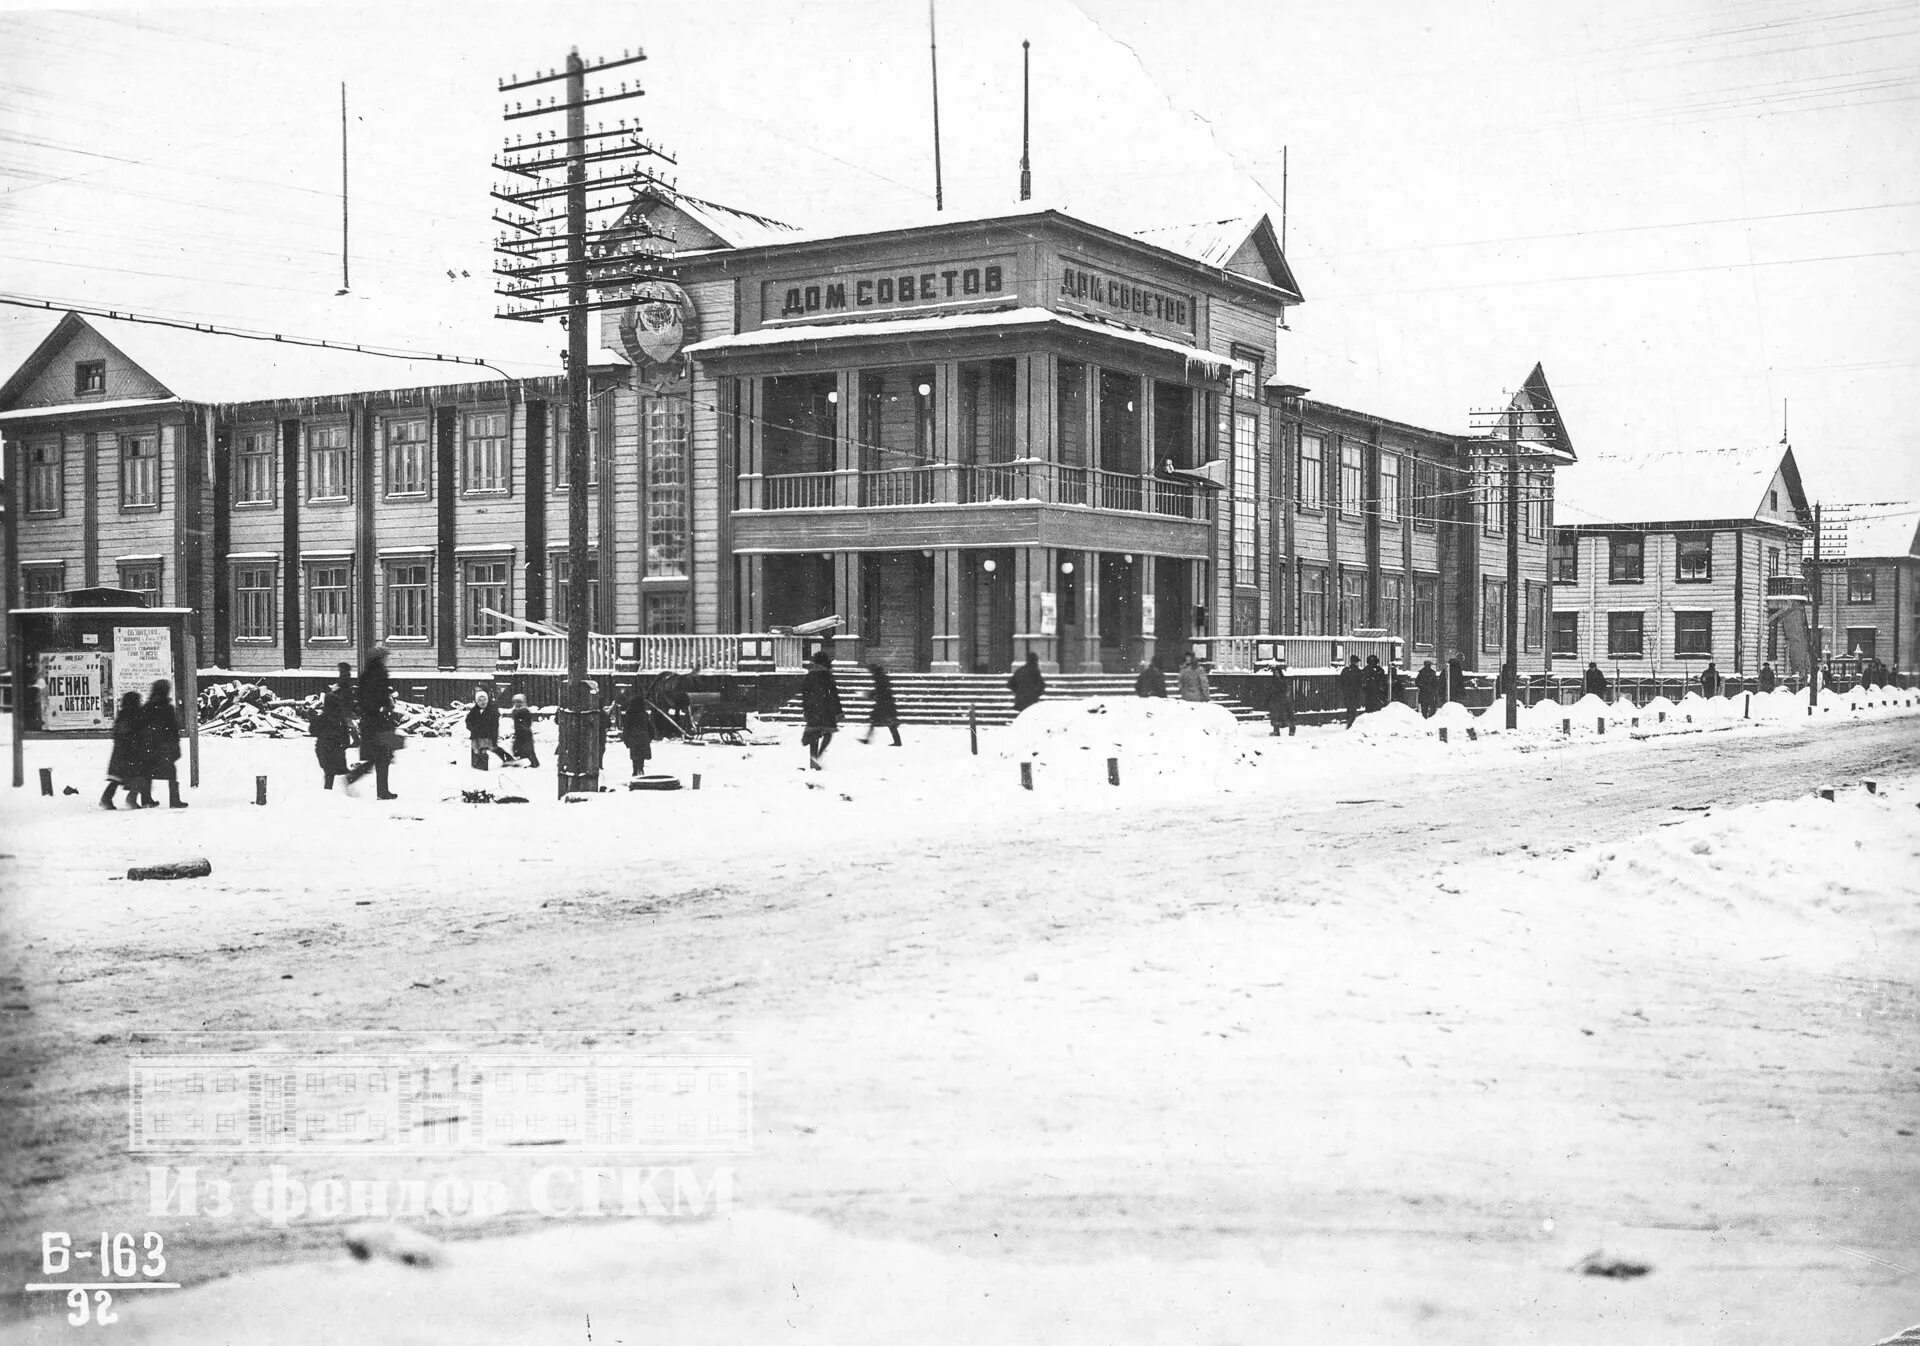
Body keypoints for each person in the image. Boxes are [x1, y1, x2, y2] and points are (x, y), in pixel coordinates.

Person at [346, 643, 401, 799]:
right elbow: (378, 698)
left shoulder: (367, 673)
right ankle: (380, 790)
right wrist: (385, 706)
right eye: (385, 657)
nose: (386, 660)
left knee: (378, 757)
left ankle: (377, 789)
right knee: (381, 758)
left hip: (371, 722)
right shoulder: (379, 674)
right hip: (379, 722)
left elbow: (364, 698)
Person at [139, 679, 187, 809]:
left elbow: (141, 727)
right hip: (164, 747)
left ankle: (146, 799)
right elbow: (173, 729)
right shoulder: (167, 708)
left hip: (149, 747)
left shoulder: (147, 707)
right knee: (171, 772)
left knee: (147, 773)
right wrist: (175, 746)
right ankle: (174, 800)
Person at [312, 662, 356, 790]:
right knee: (337, 769)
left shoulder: (324, 717)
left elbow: (313, 729)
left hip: (324, 750)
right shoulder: (338, 719)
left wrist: (312, 717)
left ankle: (329, 789)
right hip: (335, 748)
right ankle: (347, 786)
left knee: (329, 771)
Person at [100, 690, 146, 809]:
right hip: (131, 752)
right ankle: (131, 798)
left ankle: (106, 798)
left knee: (117, 778)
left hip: (121, 752)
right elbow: (134, 732)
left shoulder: (123, 714)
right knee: (139, 775)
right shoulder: (134, 715)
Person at [800, 649, 842, 770]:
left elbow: (805, 693)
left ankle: (812, 759)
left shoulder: (810, 675)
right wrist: (838, 711)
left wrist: (806, 709)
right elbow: (834, 694)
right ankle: (818, 756)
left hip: (812, 709)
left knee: (814, 734)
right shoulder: (827, 675)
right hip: (827, 709)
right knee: (828, 733)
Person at [464, 687, 513, 769]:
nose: (482, 702)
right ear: (476, 702)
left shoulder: (492, 710)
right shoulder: (474, 711)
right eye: (479, 701)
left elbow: (494, 724)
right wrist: (472, 728)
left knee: (492, 747)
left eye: (484, 700)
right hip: (477, 734)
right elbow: (468, 721)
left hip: (489, 734)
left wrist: (491, 733)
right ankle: (476, 765)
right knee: (476, 748)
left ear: (487, 700)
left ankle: (508, 759)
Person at [860, 664, 902, 746]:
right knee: (889, 723)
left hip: (884, 705)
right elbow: (881, 691)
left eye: (871, 671)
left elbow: (880, 692)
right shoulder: (882, 677)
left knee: (885, 722)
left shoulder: (879, 678)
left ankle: (867, 739)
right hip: (886, 704)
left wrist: (870, 695)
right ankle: (897, 741)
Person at [618, 681, 652, 780]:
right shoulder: (644, 714)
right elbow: (650, 727)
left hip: (634, 738)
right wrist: (650, 736)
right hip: (643, 738)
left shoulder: (630, 714)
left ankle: (635, 770)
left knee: (635, 755)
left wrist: (626, 739)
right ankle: (640, 769)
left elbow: (626, 727)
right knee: (641, 756)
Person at [509, 693, 538, 766]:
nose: (517, 704)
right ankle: (520, 759)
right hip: (519, 733)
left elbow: (528, 723)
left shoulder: (525, 711)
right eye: (515, 702)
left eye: (519, 702)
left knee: (529, 750)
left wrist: (523, 726)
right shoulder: (515, 712)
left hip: (526, 734)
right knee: (517, 748)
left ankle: (534, 762)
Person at [1266, 663, 1295, 736]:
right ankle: (1276, 731)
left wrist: (1286, 696)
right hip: (1276, 702)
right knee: (1275, 716)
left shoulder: (1284, 680)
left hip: (1284, 701)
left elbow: (1287, 689)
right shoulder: (1273, 681)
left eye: (1277, 672)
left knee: (1288, 715)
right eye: (1275, 673)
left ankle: (1292, 729)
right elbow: (1271, 690)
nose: (1276, 674)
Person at [1336, 654, 1364, 728]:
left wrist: (1344, 690)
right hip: (1355, 693)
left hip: (1347, 693)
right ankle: (1351, 724)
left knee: (1349, 708)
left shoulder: (1345, 670)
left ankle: (1349, 722)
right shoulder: (1358, 671)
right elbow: (1361, 682)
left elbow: (1341, 682)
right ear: (1355, 662)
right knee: (1353, 709)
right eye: (1358, 662)